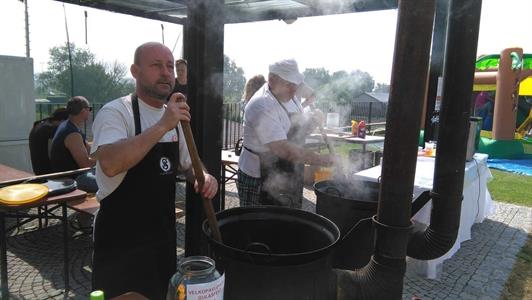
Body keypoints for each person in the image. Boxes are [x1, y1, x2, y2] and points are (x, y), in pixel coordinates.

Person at [89, 42, 218, 299]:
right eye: (156, 65)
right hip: (121, 242)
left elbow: (190, 165)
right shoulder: (116, 112)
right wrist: (163, 125)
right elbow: (111, 163)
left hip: (161, 239)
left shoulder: (175, 119)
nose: (166, 72)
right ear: (135, 71)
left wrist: (204, 176)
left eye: (170, 66)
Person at [237, 58, 334, 209]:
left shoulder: (290, 96)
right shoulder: (262, 105)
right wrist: (322, 159)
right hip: (258, 176)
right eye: (289, 84)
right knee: (256, 226)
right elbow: (284, 149)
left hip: (285, 172)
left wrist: (312, 122)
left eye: (295, 84)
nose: (294, 89)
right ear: (271, 80)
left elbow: (295, 134)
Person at [50, 96, 95, 172]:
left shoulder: (70, 126)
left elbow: (91, 151)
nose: (90, 112)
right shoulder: (72, 134)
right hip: (70, 178)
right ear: (83, 111)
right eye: (89, 109)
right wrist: (106, 160)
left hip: (72, 175)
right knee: (109, 182)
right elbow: (85, 165)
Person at [28, 107, 69, 175]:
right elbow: (54, 154)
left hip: (38, 170)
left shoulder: (39, 124)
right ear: (63, 120)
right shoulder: (51, 130)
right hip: (49, 173)